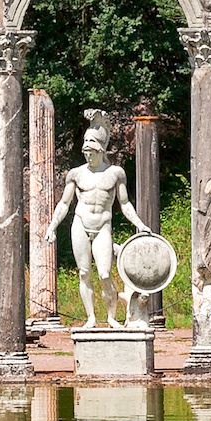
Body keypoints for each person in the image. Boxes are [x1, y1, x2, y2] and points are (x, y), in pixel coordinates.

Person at [47, 114, 153, 329]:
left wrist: (140, 224)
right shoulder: (76, 174)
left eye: (92, 153)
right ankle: (91, 318)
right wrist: (52, 226)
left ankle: (111, 317)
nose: (88, 157)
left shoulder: (115, 173)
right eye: (85, 153)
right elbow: (64, 203)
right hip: (80, 223)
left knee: (105, 274)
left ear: (101, 151)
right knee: (84, 273)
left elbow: (125, 204)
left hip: (103, 225)